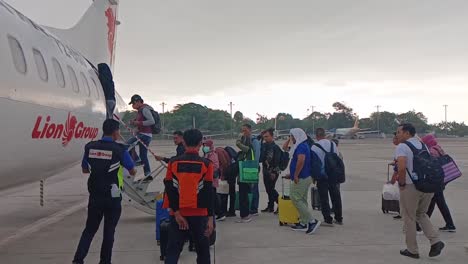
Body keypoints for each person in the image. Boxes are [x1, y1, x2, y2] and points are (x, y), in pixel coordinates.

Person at [73, 119, 136, 264]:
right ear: (115, 132)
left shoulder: (90, 146)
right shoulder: (119, 149)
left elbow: (84, 169)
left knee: (89, 230)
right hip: (112, 197)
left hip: (95, 195)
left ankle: (78, 259)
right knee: (109, 231)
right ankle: (105, 261)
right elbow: (132, 170)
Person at [163, 129, 214, 264]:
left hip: (178, 214)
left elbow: (170, 189)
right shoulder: (207, 165)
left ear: (184, 143)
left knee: (173, 251)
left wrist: (177, 213)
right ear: (200, 143)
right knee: (203, 252)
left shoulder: (173, 163)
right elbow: (209, 192)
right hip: (200, 215)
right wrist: (210, 218)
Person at [395, 123, 445, 259]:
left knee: (409, 217)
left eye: (399, 132)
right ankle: (435, 241)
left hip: (411, 186)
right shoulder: (423, 146)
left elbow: (401, 167)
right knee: (421, 214)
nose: (397, 135)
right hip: (427, 186)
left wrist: (402, 183)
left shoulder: (402, 146)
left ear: (407, 133)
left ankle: (412, 250)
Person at [283, 128, 321, 234]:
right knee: (302, 200)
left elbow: (301, 161)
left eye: (292, 136)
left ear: (297, 136)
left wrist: (295, 175)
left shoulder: (301, 146)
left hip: (302, 177)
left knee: (295, 197)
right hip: (303, 176)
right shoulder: (300, 146)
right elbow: (284, 148)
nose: (292, 138)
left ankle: (311, 221)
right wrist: (292, 174)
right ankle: (304, 222)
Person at [421, 134, 456, 232]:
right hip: (440, 179)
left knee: (438, 202)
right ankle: (426, 223)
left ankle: (450, 225)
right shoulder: (438, 148)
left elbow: (431, 166)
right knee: (434, 202)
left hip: (435, 181)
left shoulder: (432, 151)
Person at [311, 128, 343, 226]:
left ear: (316, 136)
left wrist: (314, 177)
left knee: (323, 198)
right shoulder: (333, 144)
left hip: (322, 176)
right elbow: (338, 158)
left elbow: (314, 164)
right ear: (325, 134)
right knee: (336, 197)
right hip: (333, 175)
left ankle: (328, 219)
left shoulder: (314, 147)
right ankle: (338, 218)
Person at [236, 124, 261, 222]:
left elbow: (256, 155)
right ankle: (249, 210)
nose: (243, 133)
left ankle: (253, 209)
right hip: (246, 168)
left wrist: (254, 167)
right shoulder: (246, 141)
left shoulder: (254, 142)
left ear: (250, 130)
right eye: (242, 131)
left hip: (250, 168)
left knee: (252, 189)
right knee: (248, 190)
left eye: (245, 131)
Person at [127, 94, 155, 178]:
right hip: (145, 135)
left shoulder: (145, 109)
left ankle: (136, 159)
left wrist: (138, 123)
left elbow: (151, 121)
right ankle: (148, 174)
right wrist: (135, 122)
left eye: (133, 103)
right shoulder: (140, 111)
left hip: (144, 135)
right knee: (143, 155)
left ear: (138, 102)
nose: (132, 105)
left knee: (127, 144)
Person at [259, 128, 282, 213]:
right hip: (265, 170)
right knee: (268, 189)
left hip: (273, 171)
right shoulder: (264, 146)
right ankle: (270, 206)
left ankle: (281, 204)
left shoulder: (275, 147)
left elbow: (276, 161)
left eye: (267, 136)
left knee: (271, 189)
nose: (265, 138)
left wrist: (273, 172)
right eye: (264, 137)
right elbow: (261, 158)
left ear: (272, 136)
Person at [202, 139, 220, 219]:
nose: (204, 147)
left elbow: (216, 166)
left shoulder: (213, 155)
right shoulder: (207, 154)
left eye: (206, 145)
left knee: (214, 197)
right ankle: (217, 212)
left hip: (212, 179)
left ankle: (220, 213)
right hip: (208, 179)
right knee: (213, 197)